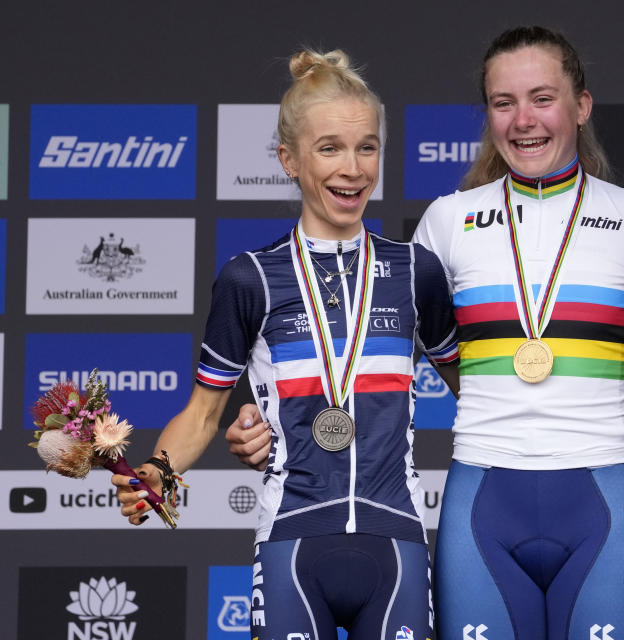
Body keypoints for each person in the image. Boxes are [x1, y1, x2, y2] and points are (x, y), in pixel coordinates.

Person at [228, 25, 624, 640]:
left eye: (542, 98)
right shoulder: (447, 222)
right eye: (503, 102)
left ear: (581, 106)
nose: (524, 120)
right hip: (483, 500)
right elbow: (363, 353)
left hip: (603, 492)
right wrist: (266, 424)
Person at [111, 48, 458, 640]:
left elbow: (479, 386)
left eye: (366, 146)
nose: (353, 168)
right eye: (329, 148)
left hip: (397, 538)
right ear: (288, 159)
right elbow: (203, 414)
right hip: (291, 541)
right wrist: (156, 474)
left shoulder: (415, 271)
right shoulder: (251, 277)